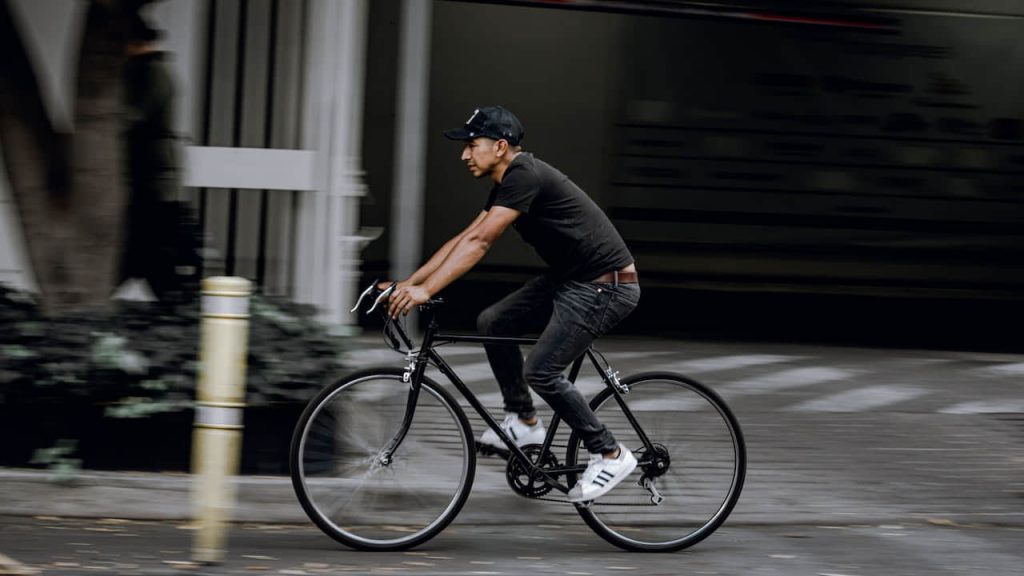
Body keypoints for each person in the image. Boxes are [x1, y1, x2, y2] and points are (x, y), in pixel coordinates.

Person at [386, 106, 641, 503]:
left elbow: (480, 244)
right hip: (572, 278)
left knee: (542, 370)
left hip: (604, 285)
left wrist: (424, 292)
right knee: (495, 320)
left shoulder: (524, 174)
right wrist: (410, 283)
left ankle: (609, 452)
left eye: (472, 145)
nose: (464, 155)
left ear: (500, 146)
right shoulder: (510, 182)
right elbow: (463, 238)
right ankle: (524, 421)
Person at [120, 14, 200, 301]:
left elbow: (132, 117)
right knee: (148, 253)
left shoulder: (151, 72)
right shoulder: (155, 70)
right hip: (155, 177)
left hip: (152, 177)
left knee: (148, 249)